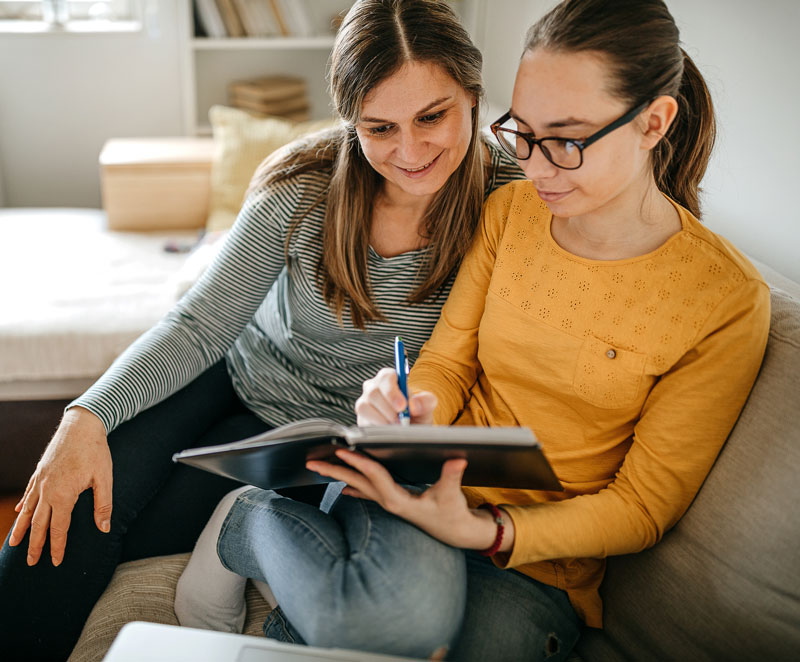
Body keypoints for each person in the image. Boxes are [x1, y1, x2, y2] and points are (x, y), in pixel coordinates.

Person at [177, 0, 772, 660]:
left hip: (537, 564)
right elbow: (449, 361)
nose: (535, 167)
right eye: (523, 130)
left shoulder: (725, 300)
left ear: (653, 123)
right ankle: (250, 520)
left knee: (405, 642)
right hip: (414, 487)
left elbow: (642, 507)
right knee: (394, 630)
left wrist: (490, 532)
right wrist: (417, 403)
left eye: (566, 139)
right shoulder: (511, 211)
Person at [0, 1, 522, 658]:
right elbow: (199, 326)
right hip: (240, 376)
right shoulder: (300, 186)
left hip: (337, 441)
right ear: (348, 122)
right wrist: (86, 415)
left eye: (433, 117)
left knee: (141, 539)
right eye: (379, 127)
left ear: (474, 96)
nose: (411, 151)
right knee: (73, 505)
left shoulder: (513, 202)